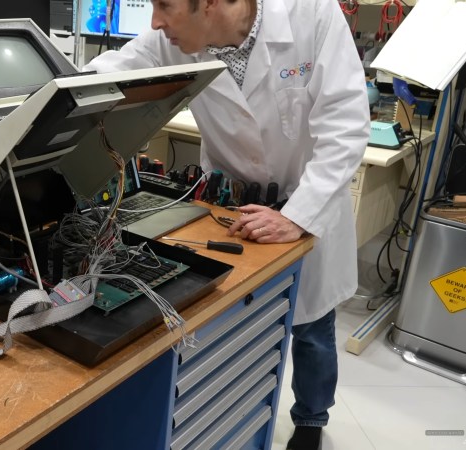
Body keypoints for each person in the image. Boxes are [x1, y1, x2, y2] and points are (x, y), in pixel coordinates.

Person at [85, 0, 370, 449]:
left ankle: (312, 420)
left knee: (311, 329)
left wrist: (297, 216)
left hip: (305, 202)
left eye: (165, 6)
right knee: (240, 317)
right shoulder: (173, 39)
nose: (155, 21)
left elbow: (346, 127)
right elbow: (109, 71)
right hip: (230, 209)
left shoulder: (311, 15)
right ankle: (240, 403)